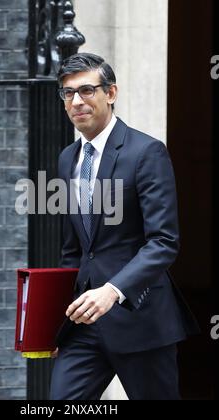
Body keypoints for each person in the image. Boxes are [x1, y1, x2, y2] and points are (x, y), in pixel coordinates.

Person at [49, 53, 199, 400]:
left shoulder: (146, 152)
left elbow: (163, 241)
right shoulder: (67, 158)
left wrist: (112, 290)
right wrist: (56, 325)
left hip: (141, 320)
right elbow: (74, 249)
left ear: (111, 93)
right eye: (68, 93)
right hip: (83, 327)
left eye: (87, 90)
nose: (76, 101)